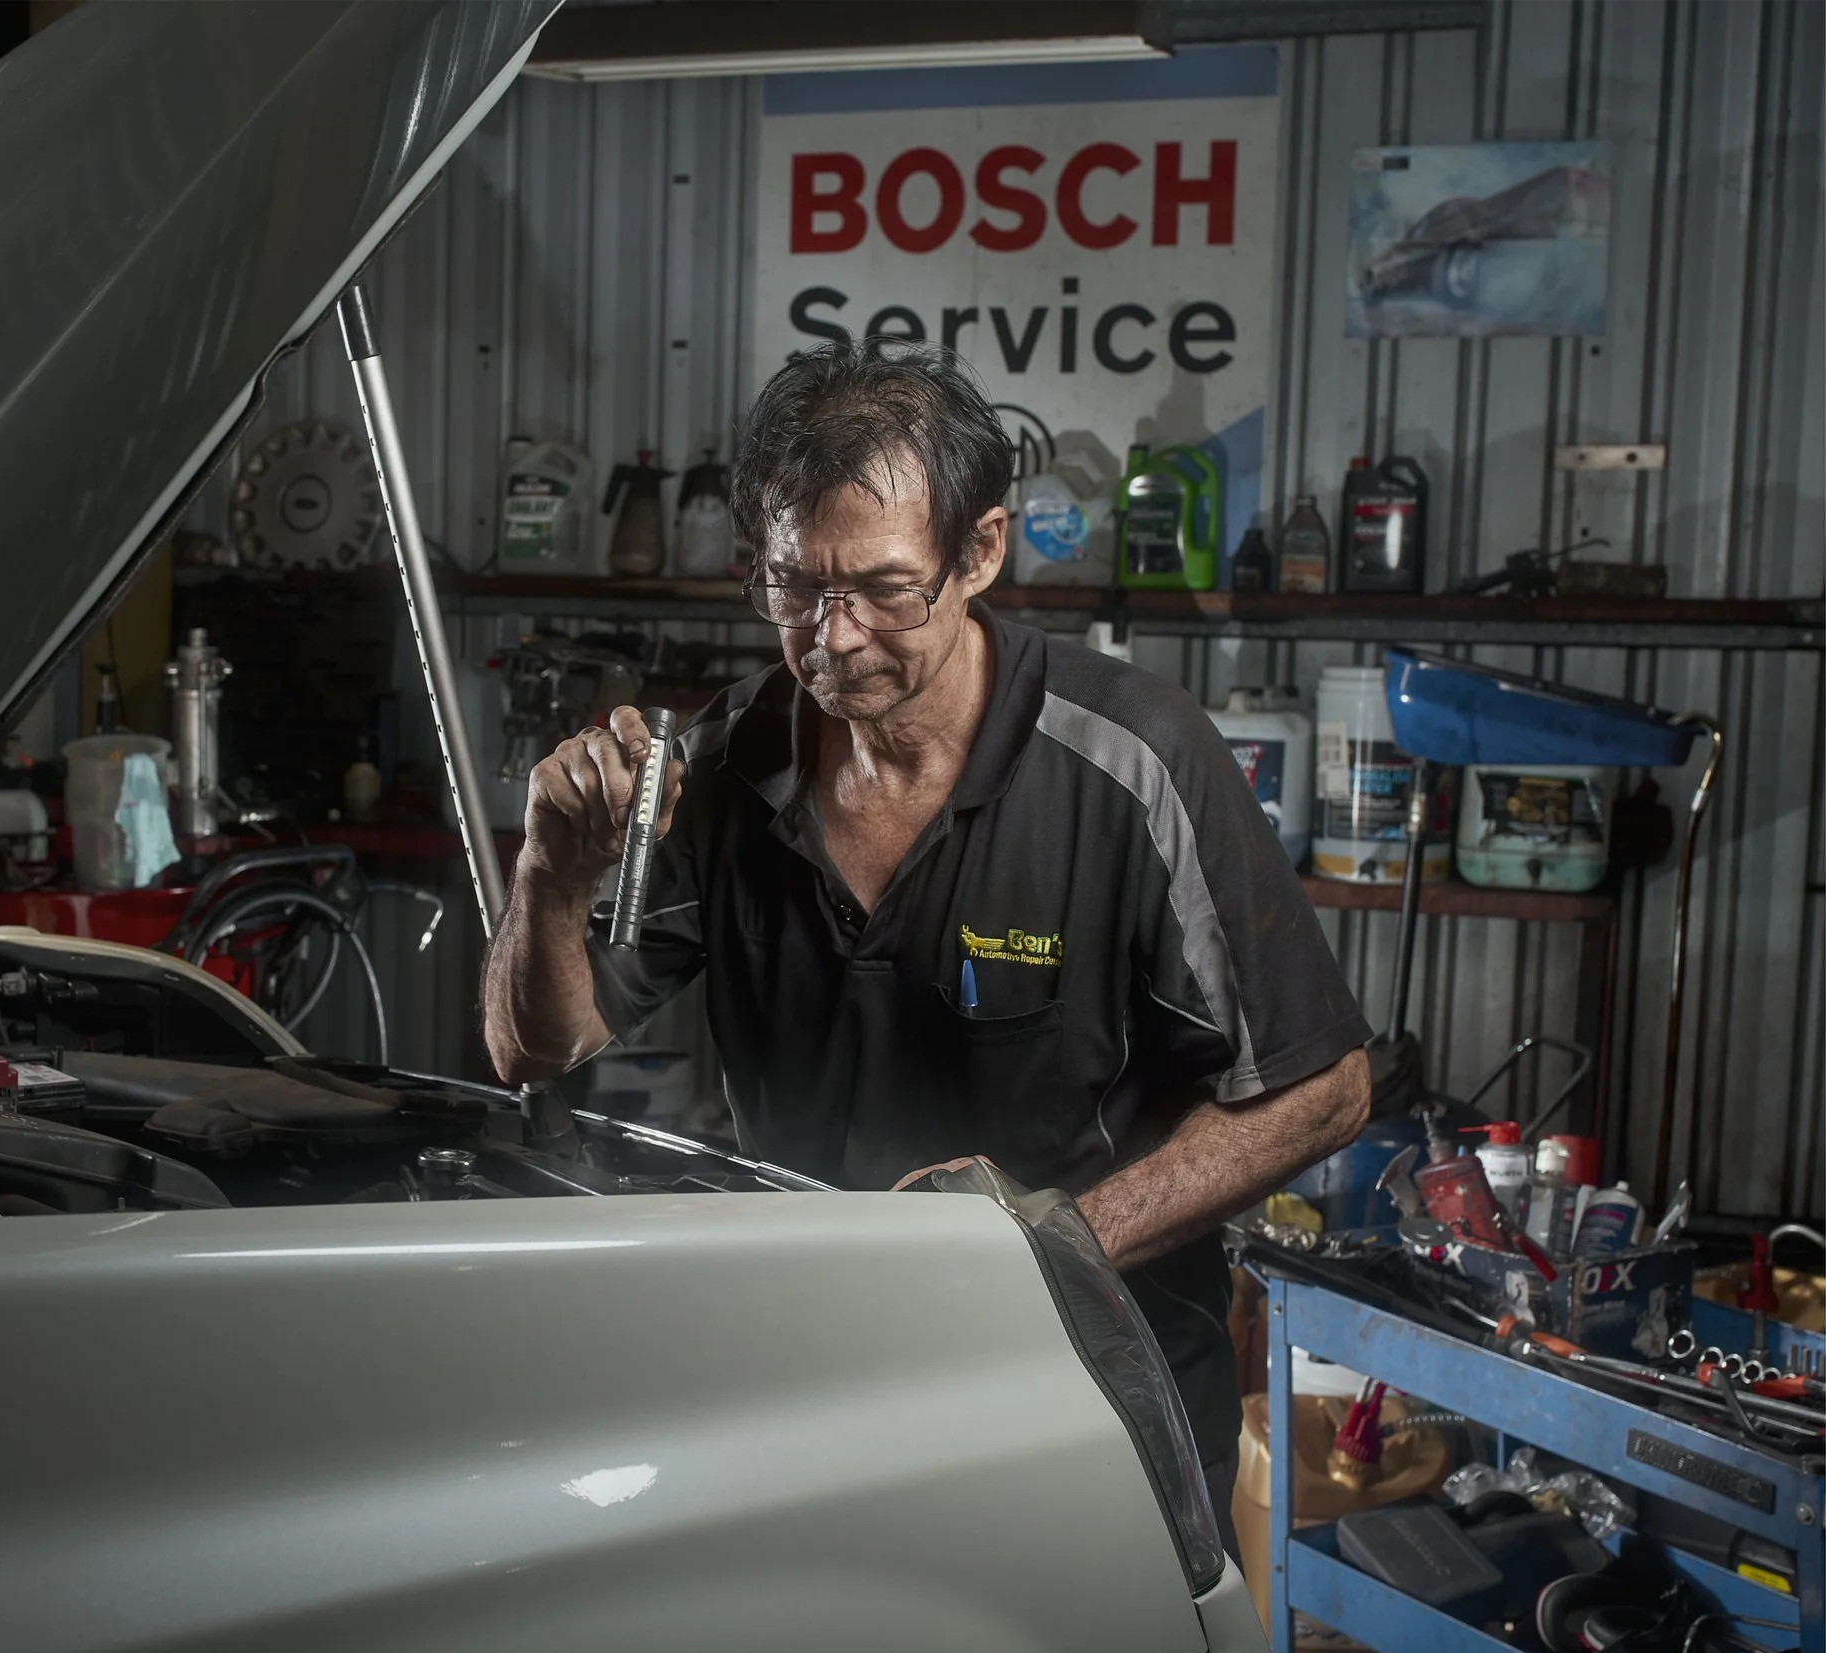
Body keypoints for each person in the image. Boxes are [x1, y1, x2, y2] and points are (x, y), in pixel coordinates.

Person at [481, 338, 1370, 1524]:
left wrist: (1043, 1249)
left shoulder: (1134, 761)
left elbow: (1324, 1089)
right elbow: (535, 1046)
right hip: (808, 1389)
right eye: (796, 586)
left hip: (1089, 1402)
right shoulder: (726, 761)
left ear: (980, 552)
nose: (834, 636)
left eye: (885, 588)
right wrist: (547, 872)